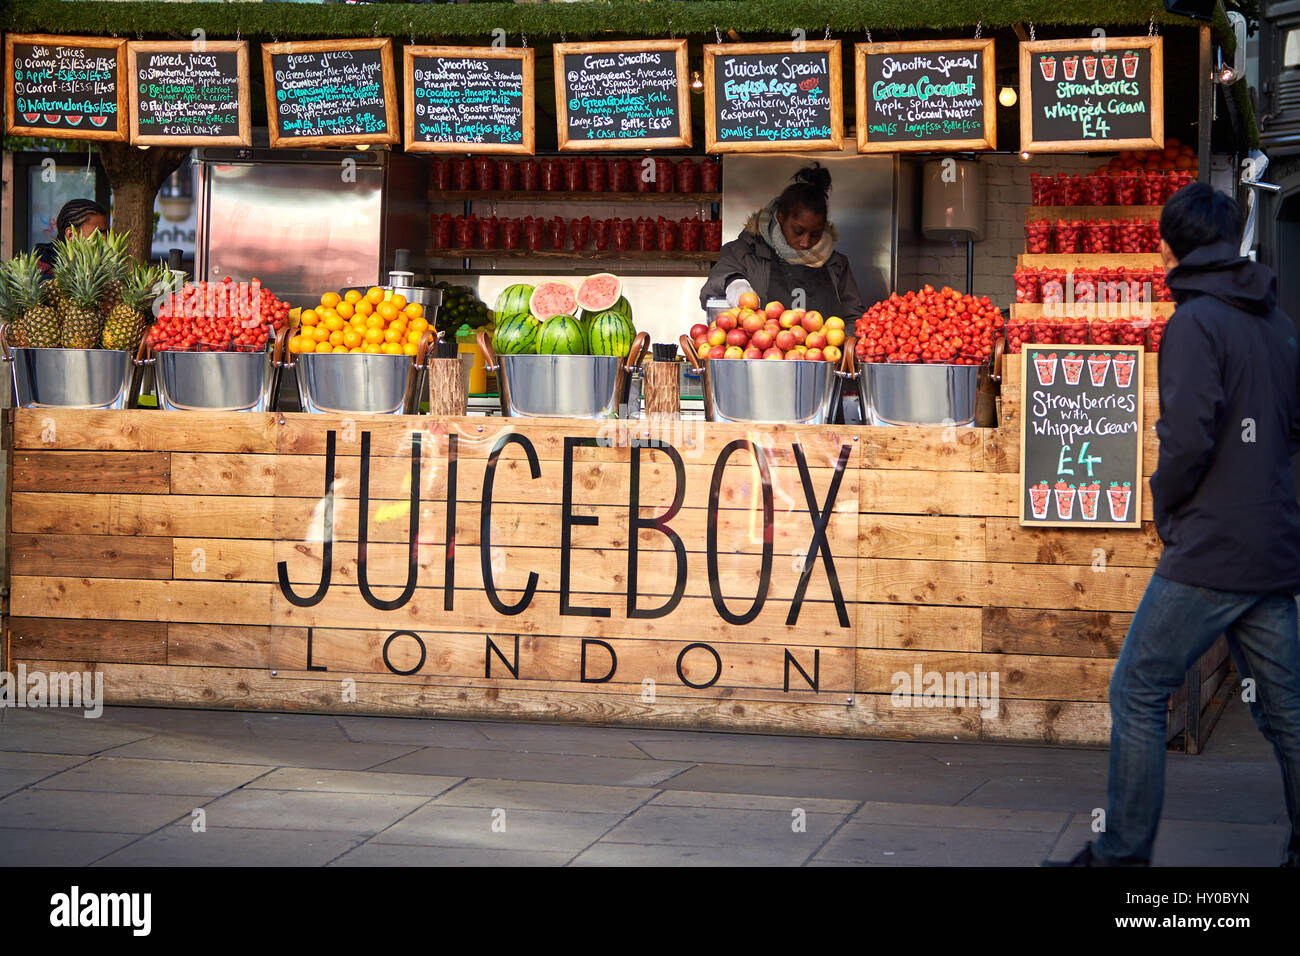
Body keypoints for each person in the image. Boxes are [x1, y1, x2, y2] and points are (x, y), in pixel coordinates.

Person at [1047, 182, 1300, 867]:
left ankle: (1122, 855)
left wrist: (1165, 503)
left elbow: (1187, 437)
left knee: (1135, 689)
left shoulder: (1195, 323)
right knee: (1287, 717)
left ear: (1172, 244)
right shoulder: (1276, 323)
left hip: (1212, 549)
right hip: (1271, 546)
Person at [699, 163, 864, 320]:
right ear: (780, 217)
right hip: (760, 349)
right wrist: (733, 282)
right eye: (798, 231)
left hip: (824, 349)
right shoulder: (745, 252)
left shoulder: (836, 264)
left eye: (815, 234)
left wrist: (843, 344)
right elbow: (713, 285)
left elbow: (854, 317)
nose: (805, 242)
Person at [34, 199, 109, 281]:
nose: (105, 240)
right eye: (97, 233)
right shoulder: (43, 276)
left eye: (107, 234)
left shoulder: (101, 268)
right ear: (71, 235)